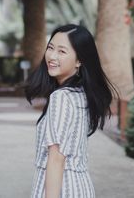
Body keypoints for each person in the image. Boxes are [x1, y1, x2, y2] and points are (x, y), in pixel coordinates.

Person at [25, 24, 118, 198]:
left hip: (63, 190)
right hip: (80, 188)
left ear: (79, 60)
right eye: (50, 48)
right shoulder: (81, 94)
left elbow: (56, 159)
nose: (52, 56)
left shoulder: (61, 98)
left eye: (62, 51)